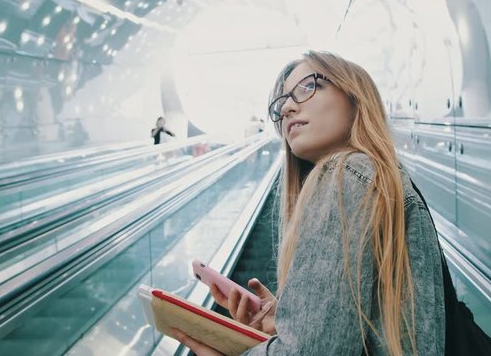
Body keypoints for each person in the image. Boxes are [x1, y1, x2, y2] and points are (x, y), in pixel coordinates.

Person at [172, 51, 446, 355]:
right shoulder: (384, 179)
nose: (287, 107)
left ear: (355, 97)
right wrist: (294, 320)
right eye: (282, 102)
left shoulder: (344, 176)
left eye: (306, 87)